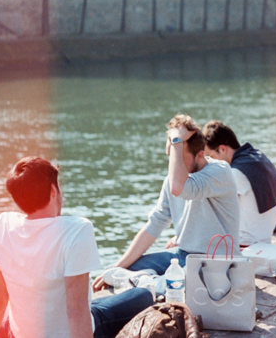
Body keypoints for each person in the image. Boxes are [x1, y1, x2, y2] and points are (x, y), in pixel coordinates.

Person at [0, 157, 153, 338]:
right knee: (143, 296)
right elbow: (76, 310)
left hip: (19, 334)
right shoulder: (76, 230)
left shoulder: (2, 226)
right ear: (54, 191)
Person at [93, 114, 239, 290]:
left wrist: (177, 139)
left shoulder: (220, 171)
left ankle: (146, 283)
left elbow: (180, 188)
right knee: (124, 269)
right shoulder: (171, 180)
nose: (173, 163)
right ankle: (146, 281)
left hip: (217, 261)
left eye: (178, 155)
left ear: (200, 155)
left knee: (173, 286)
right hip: (183, 254)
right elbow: (153, 226)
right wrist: (118, 266)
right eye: (170, 156)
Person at [201, 120, 276, 247]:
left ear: (222, 149)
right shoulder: (256, 156)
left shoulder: (236, 173)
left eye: (210, 157)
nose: (209, 162)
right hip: (264, 238)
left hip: (246, 244)